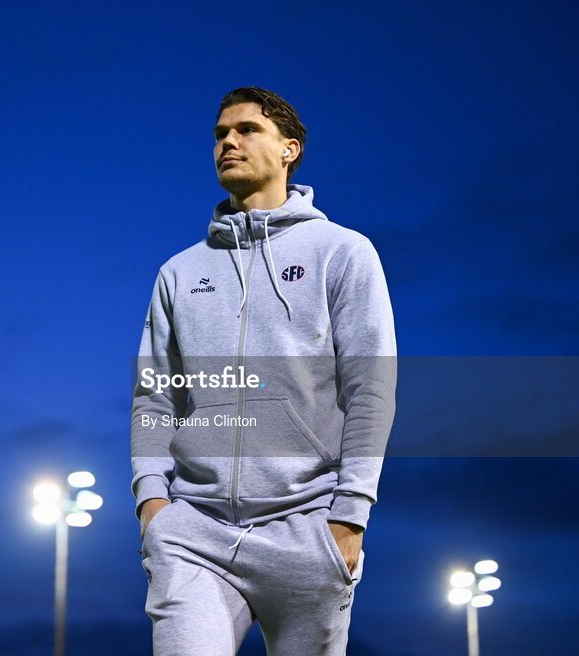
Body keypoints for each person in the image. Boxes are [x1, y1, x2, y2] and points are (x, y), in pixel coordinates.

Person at [130, 86, 396, 655]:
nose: (228, 141)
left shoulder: (343, 252)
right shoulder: (179, 272)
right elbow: (155, 397)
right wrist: (153, 502)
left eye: (247, 130)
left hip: (308, 530)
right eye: (220, 134)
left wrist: (349, 515)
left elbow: (370, 388)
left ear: (289, 149)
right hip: (193, 533)